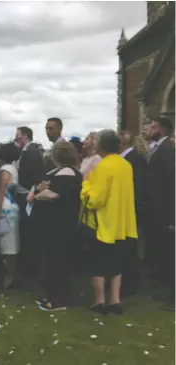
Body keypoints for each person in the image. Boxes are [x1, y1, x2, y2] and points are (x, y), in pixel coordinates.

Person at [81, 130, 137, 315]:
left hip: (103, 222)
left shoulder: (103, 167)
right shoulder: (126, 165)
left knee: (97, 262)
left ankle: (99, 301)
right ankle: (115, 300)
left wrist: (86, 183)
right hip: (122, 222)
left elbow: (95, 200)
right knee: (117, 263)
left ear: (101, 145)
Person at [27, 141, 82, 311]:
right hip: (54, 223)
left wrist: (37, 196)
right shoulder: (61, 171)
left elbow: (54, 194)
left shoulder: (67, 173)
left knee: (59, 260)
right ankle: (52, 295)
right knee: (52, 260)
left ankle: (57, 300)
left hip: (61, 223)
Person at [146, 118, 175, 311]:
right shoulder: (158, 148)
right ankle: (167, 287)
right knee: (164, 250)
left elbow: (170, 182)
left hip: (167, 209)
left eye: (154, 126)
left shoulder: (168, 150)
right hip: (158, 209)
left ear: (163, 129)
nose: (149, 129)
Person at [118, 130, 148, 298]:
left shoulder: (135, 159)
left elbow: (138, 186)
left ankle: (129, 284)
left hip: (131, 209)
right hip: (125, 208)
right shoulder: (126, 159)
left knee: (129, 247)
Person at [14, 126, 45, 280]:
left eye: (18, 135)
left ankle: (30, 270)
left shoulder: (31, 151)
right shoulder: (26, 151)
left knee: (28, 233)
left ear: (25, 136)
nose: (16, 138)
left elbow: (35, 176)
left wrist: (30, 192)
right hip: (24, 194)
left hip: (27, 196)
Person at [0, 143, 21, 289]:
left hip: (6, 209)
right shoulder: (13, 168)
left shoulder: (5, 169)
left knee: (8, 245)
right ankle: (8, 275)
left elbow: (1, 191)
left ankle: (9, 277)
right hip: (11, 207)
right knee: (9, 244)